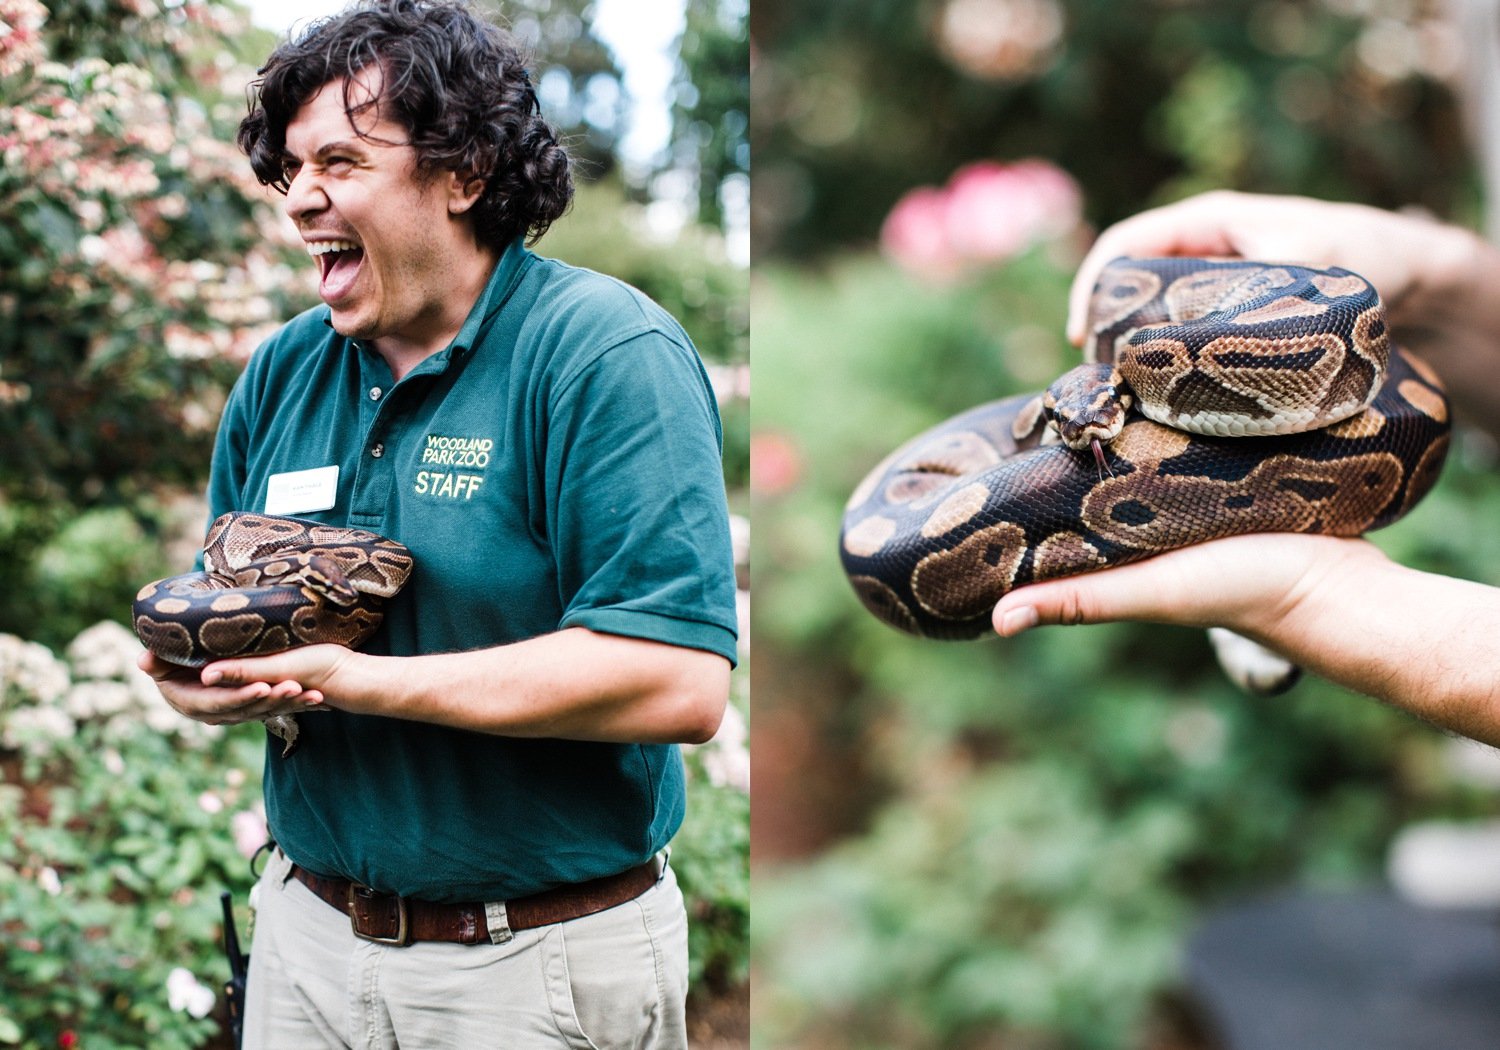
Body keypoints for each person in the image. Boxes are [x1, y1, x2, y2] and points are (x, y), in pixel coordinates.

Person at [136, 2, 739, 1046]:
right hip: (305, 942)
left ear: (464, 174)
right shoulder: (285, 369)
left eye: (341, 162)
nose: (301, 200)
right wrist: (210, 688)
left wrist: (355, 680)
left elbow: (677, 681)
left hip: (531, 966)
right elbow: (223, 605)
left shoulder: (602, 355)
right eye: (292, 168)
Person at [992, 191, 1500, 745]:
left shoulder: (1151, 351)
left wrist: (1314, 594)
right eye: (1070, 423)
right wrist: (1433, 272)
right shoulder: (1133, 369)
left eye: (1110, 404)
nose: (1094, 427)